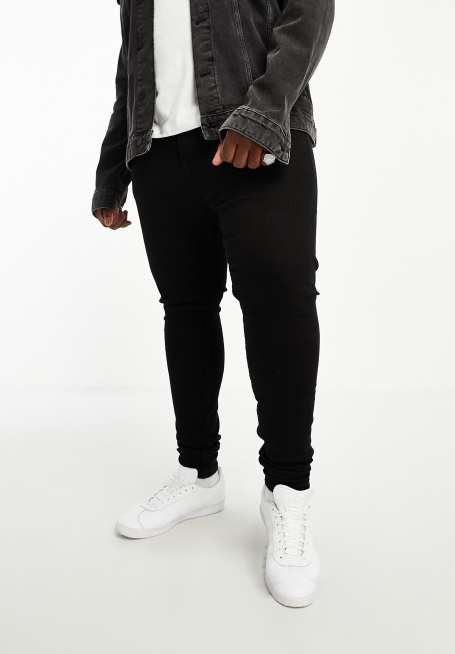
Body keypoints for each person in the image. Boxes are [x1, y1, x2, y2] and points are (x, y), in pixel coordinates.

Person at [91, 0, 334, 609]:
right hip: (159, 153)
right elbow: (132, 62)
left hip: (252, 136)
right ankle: (198, 473)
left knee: (279, 309)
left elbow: (308, 11)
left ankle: (288, 491)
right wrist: (113, 168)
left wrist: (264, 112)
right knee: (186, 309)